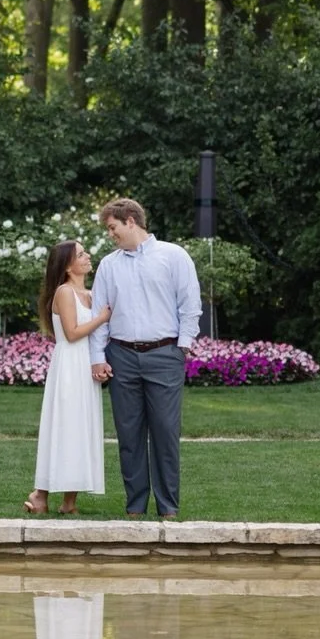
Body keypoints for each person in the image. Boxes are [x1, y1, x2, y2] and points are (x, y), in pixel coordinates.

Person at [88, 197, 202, 519]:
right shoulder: (109, 265)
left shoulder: (173, 256)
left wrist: (182, 346)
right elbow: (100, 314)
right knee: (129, 434)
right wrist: (97, 357)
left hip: (165, 354)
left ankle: (168, 507)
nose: (110, 234)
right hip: (121, 356)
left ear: (130, 221)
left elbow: (190, 304)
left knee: (165, 432)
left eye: (113, 227)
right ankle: (135, 506)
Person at [25, 239, 112, 516]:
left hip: (85, 364)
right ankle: (40, 494)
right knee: (65, 426)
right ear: (67, 265)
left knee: (80, 428)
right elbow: (73, 333)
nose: (88, 256)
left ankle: (69, 502)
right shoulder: (64, 292)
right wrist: (102, 317)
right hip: (69, 367)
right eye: (81, 254)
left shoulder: (89, 293)